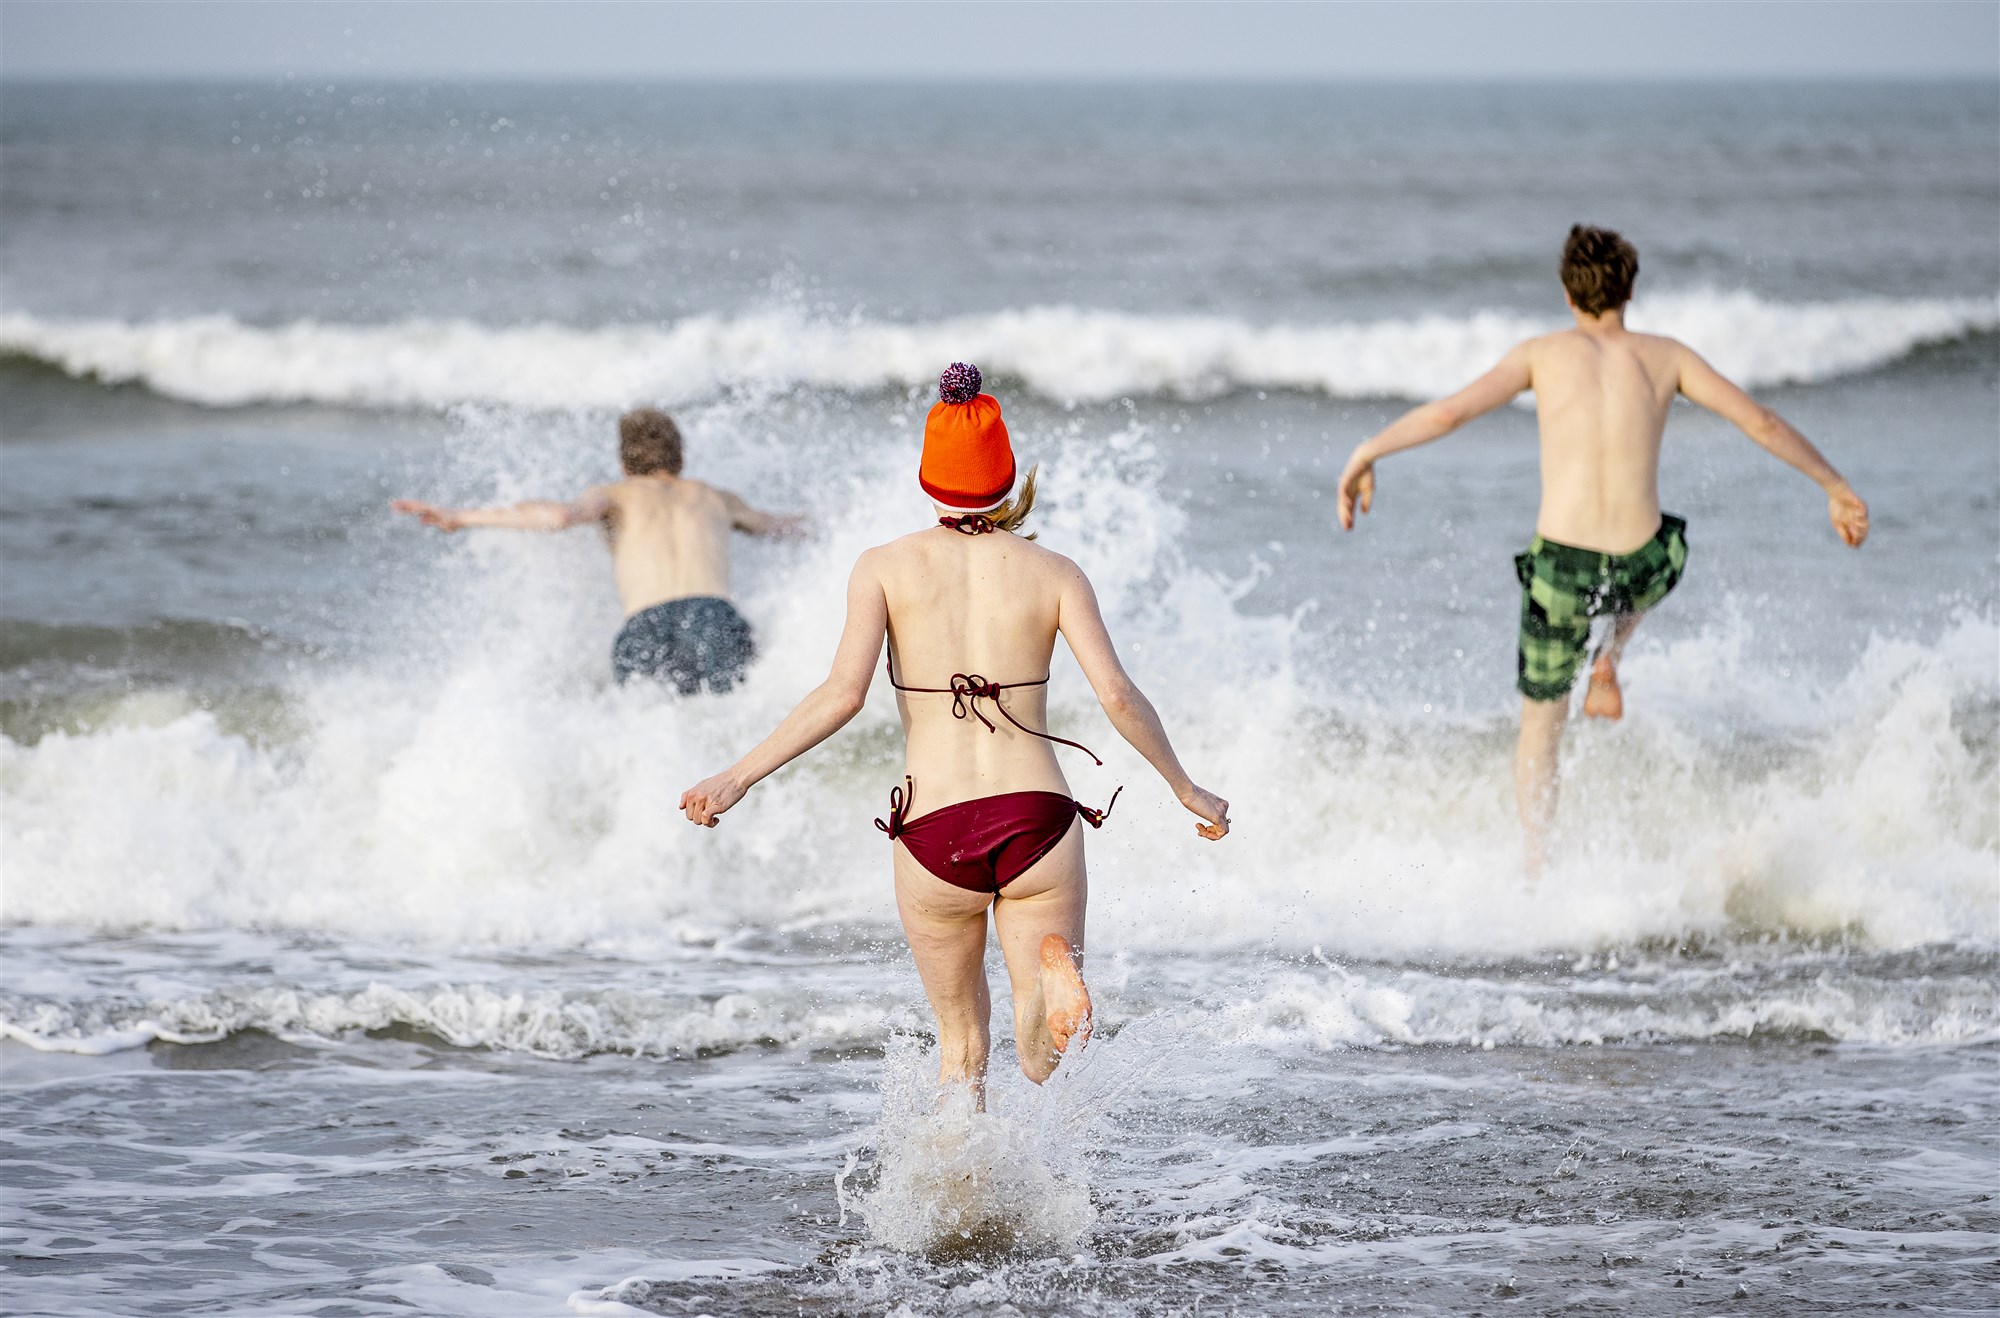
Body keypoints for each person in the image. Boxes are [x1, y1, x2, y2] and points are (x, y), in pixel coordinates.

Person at [678, 364, 1230, 1103]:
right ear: (1003, 479)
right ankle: (1047, 984)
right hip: (1037, 819)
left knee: (961, 1049)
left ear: (928, 479)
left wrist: (736, 776)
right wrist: (1185, 787)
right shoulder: (1056, 571)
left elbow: (842, 696)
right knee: (1040, 1059)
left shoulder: (882, 567)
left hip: (936, 832)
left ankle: (957, 1197)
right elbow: (1119, 697)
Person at [1334, 225, 1870, 874]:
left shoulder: (1541, 354)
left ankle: (1537, 864)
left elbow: (1449, 415)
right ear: (1631, 290)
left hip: (1563, 563)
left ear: (1566, 293)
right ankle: (1611, 652)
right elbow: (1760, 420)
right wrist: (1835, 485)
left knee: (1541, 721)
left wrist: (1368, 451)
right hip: (1642, 562)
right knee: (1662, 550)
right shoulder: (1667, 357)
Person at [392, 408, 802, 693]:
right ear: (680, 458)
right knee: (734, 732)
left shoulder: (614, 494)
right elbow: (778, 527)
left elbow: (557, 518)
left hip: (647, 624)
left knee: (656, 739)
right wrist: (853, 519)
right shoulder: (715, 497)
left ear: (624, 463)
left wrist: (460, 517)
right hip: (715, 617)